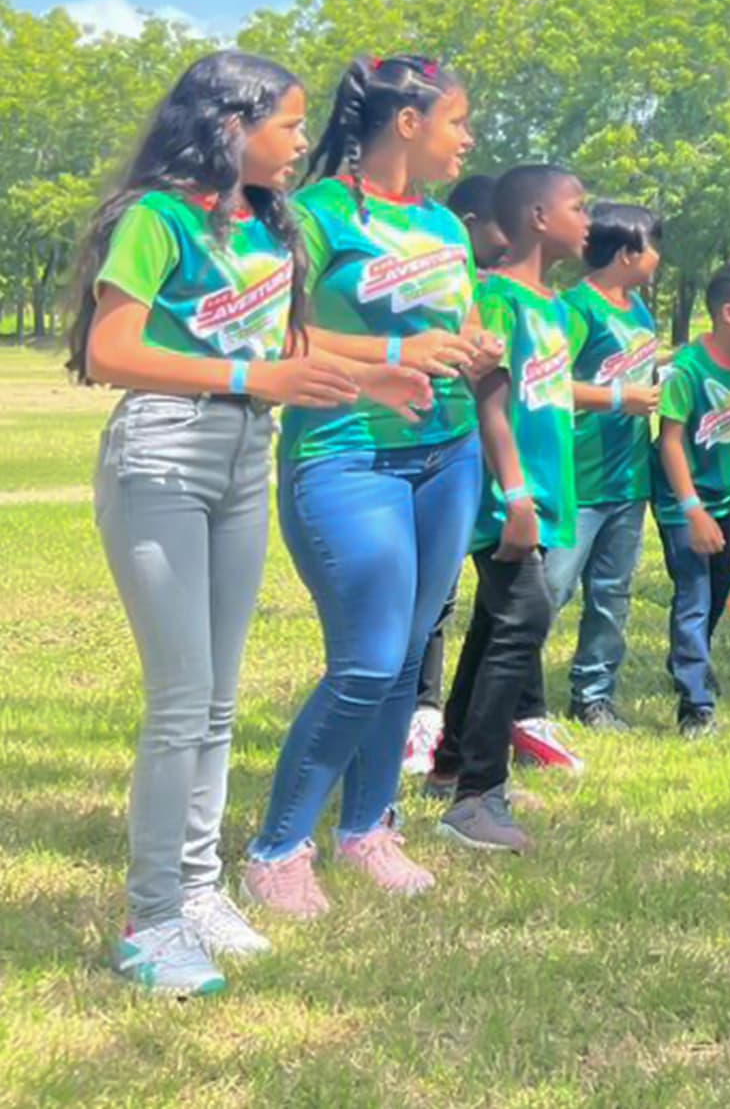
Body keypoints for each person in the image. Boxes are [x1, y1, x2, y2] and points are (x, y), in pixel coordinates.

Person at [74, 51, 394, 993]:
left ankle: (200, 889)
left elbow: (287, 343)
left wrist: (378, 372)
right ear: (228, 125)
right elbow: (111, 351)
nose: (301, 143)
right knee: (180, 703)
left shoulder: (266, 223)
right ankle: (152, 919)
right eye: (288, 126)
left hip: (244, 456)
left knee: (218, 699)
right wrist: (263, 380)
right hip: (163, 455)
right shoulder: (157, 218)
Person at [249, 54, 498, 917]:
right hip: (346, 452)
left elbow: (459, 321)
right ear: (407, 123)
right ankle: (277, 848)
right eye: (458, 121)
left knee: (403, 658)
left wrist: (475, 347)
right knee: (362, 663)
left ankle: (367, 830)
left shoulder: (446, 226)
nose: (467, 138)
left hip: (449, 452)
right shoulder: (311, 216)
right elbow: (279, 341)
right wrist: (396, 355)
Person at [435, 164, 591, 853]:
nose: (589, 220)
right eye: (578, 207)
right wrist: (516, 494)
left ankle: (451, 764)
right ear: (536, 216)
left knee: (501, 620)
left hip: (546, 491)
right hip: (510, 493)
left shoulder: (555, 306)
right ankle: (478, 796)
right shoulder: (496, 297)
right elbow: (490, 401)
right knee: (524, 617)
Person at [403, 170, 506, 779]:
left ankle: (429, 712)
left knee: (444, 589)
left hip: (457, 442)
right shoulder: (426, 269)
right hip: (400, 442)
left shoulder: (481, 282)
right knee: (420, 595)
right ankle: (417, 704)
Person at [651, 261, 730, 738]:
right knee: (694, 594)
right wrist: (692, 511)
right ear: (729, 312)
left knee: (719, 588)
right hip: (682, 500)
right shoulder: (687, 369)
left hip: (724, 498)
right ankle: (695, 703)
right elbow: (669, 442)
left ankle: (687, 656)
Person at [550, 202, 664, 728]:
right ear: (626, 253)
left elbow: (637, 370)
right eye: (653, 246)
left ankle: (593, 693)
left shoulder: (639, 308)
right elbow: (551, 383)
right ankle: (513, 692)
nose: (659, 257)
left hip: (629, 474)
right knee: (551, 588)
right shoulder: (575, 309)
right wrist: (621, 398)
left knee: (612, 592)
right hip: (580, 475)